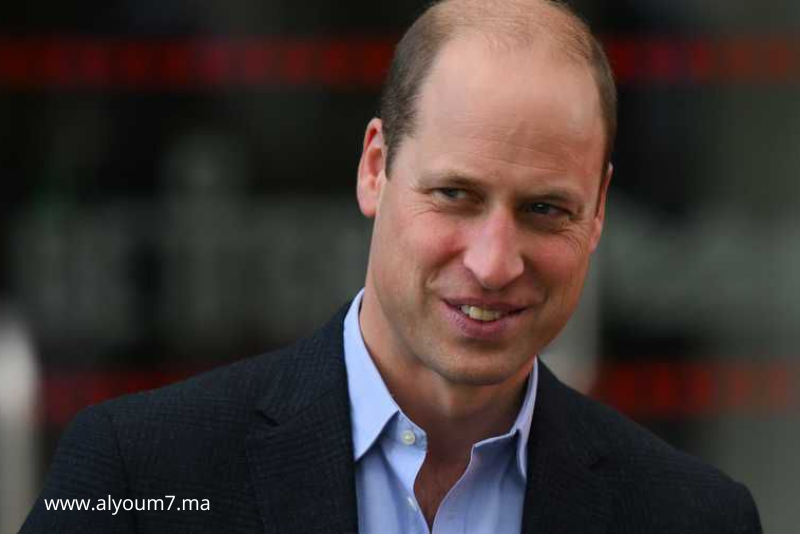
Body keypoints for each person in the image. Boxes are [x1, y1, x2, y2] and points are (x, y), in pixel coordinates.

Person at [22, 0, 762, 532]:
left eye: (545, 209)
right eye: (455, 195)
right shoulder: (139, 472)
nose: (494, 263)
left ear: (598, 211)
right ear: (375, 168)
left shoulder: (694, 517)